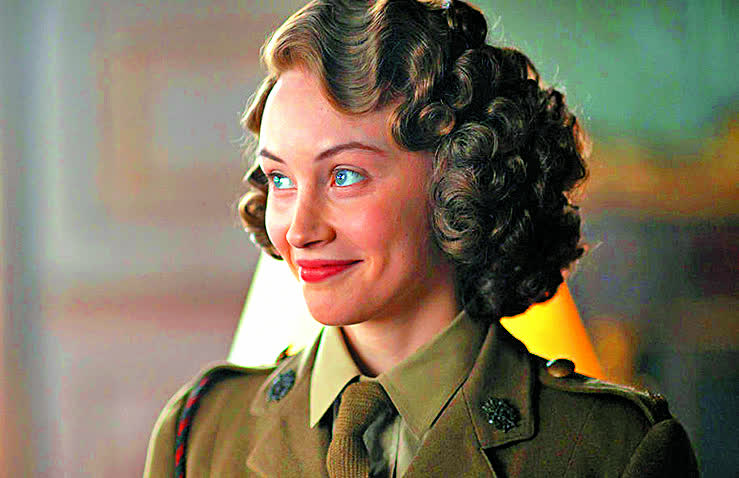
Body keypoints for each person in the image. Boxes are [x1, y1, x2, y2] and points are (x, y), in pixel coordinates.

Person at [144, 0, 698, 476]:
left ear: (461, 181)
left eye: (344, 176)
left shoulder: (611, 450)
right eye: (281, 179)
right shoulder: (201, 433)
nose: (299, 230)